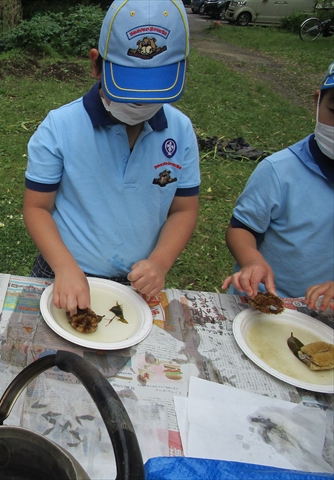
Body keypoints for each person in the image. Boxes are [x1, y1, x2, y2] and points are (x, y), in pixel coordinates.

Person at [23, 0, 200, 315]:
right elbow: (37, 207)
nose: (140, 106)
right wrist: (64, 267)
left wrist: (159, 262)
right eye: (128, 91)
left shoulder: (180, 131)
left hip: (138, 283)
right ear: (96, 65)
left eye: (154, 94)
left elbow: (183, 210)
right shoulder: (60, 127)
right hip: (63, 272)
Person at [222, 60, 334, 312]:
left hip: (325, 312)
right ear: (317, 102)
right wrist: (252, 261)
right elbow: (240, 229)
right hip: (263, 302)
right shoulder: (279, 171)